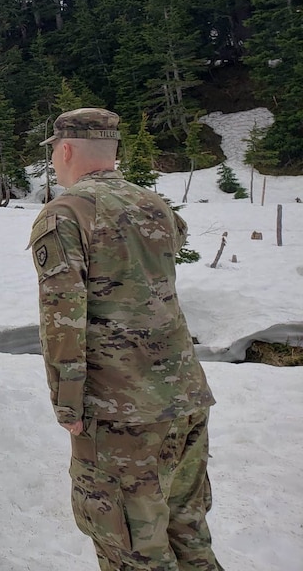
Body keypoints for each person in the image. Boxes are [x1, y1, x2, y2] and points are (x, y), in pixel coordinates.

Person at [29, 108, 221, 571]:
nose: (55, 160)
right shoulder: (155, 205)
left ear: (67, 149)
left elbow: (63, 319)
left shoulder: (66, 214)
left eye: (54, 151)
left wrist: (68, 405)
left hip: (121, 416)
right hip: (184, 399)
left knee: (132, 551)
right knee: (188, 534)